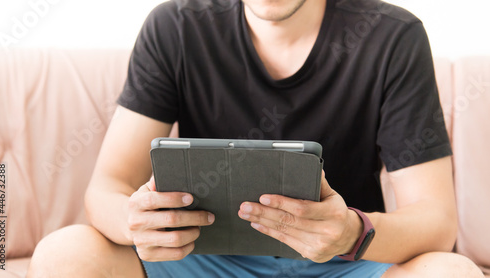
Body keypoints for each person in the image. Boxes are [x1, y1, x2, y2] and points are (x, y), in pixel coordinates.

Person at [28, 0, 484, 277]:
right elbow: (106, 187)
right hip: (200, 260)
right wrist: (137, 223)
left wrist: (351, 233)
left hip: (342, 265)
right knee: (62, 255)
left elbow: (436, 221)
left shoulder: (392, 38)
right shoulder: (175, 28)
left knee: (453, 273)